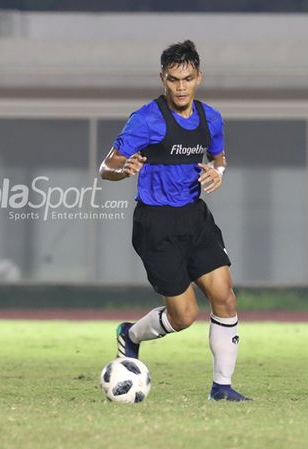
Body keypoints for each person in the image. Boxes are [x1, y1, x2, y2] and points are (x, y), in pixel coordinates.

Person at [99, 40, 249, 401]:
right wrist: (124, 171)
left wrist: (218, 173)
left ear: (199, 77)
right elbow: (107, 168)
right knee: (183, 317)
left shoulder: (211, 118)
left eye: (188, 78)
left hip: (195, 219)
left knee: (225, 297)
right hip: (156, 225)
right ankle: (130, 335)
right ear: (162, 79)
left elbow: (220, 157)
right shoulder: (145, 120)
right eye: (173, 79)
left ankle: (222, 388)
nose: (180, 87)